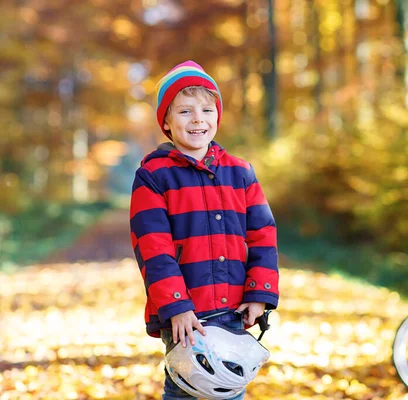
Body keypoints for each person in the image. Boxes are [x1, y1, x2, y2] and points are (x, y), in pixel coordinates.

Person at [129, 60, 279, 400]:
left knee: (227, 388)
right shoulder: (154, 176)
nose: (198, 119)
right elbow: (153, 248)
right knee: (190, 387)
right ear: (166, 121)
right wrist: (177, 305)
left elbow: (262, 235)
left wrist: (259, 293)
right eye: (184, 111)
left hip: (234, 308)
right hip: (186, 313)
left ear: (217, 117)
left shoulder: (240, 173)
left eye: (206, 110)